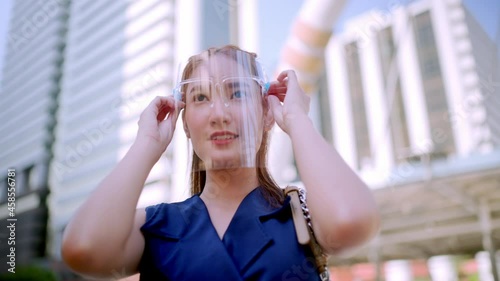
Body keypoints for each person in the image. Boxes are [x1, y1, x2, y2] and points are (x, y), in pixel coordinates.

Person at [61, 45, 379, 280]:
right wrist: (146, 144)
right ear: (185, 123)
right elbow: (84, 249)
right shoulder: (157, 227)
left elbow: (350, 221)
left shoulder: (300, 215)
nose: (219, 114)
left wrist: (297, 120)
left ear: (266, 111)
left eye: (237, 92)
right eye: (199, 98)